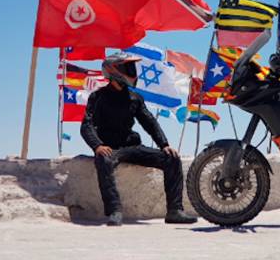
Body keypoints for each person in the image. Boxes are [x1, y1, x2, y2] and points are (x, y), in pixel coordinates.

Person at [80, 52, 198, 226]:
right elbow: (86, 125)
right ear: (113, 71)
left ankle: (175, 211)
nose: (133, 72)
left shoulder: (135, 98)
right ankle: (114, 211)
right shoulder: (98, 97)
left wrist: (164, 144)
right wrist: (97, 146)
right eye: (127, 67)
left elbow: (149, 122)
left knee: (171, 158)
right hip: (110, 148)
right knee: (103, 160)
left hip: (133, 146)